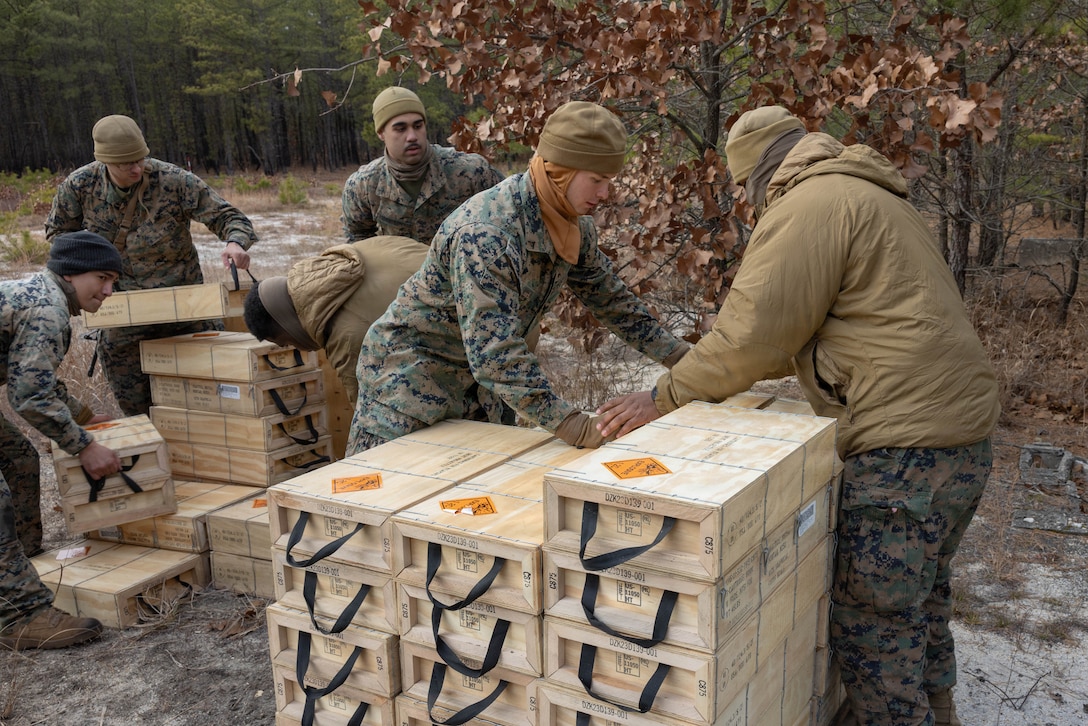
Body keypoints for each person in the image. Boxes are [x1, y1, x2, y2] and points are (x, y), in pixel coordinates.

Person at [596, 106, 1000, 726]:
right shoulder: (866, 192)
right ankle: (941, 713)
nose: (742, 200)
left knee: (873, 624)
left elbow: (753, 336)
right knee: (920, 602)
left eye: (739, 186)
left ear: (760, 171)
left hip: (905, 450)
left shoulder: (809, 205)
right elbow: (853, 325)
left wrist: (664, 396)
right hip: (960, 437)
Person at [346, 100, 690, 454]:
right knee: (378, 500)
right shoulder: (487, 233)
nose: (605, 194)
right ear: (560, 170)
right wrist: (574, 425)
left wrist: (683, 359)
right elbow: (495, 354)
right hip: (407, 389)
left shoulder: (572, 224)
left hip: (478, 394)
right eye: (597, 180)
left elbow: (612, 300)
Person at [45, 114, 259, 416]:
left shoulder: (173, 180)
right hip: (123, 313)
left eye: (140, 159)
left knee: (214, 402)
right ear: (105, 161)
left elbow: (229, 216)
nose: (136, 168)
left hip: (187, 310)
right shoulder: (80, 186)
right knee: (140, 411)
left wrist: (235, 242)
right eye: (125, 164)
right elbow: (59, 240)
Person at [0, 231, 126, 651]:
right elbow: (29, 397)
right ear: (71, 274)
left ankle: (20, 557)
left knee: (18, 457)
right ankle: (19, 614)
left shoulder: (44, 296)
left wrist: (86, 417)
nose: (109, 291)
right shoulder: (48, 309)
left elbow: (32, 377)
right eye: (102, 279)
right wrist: (84, 446)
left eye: (113, 281)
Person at [242, 234, 429, 409]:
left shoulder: (344, 340)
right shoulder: (343, 258)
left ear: (286, 323)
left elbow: (369, 413)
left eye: (286, 342)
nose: (299, 349)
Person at [341, 86, 505, 244]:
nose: (412, 136)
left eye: (418, 126)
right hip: (401, 270)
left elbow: (507, 218)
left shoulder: (470, 171)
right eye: (400, 129)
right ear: (381, 133)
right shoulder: (363, 185)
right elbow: (357, 238)